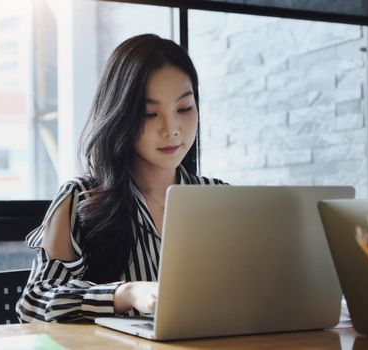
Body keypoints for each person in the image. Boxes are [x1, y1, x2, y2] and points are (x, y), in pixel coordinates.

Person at [16, 34, 225, 323]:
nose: (172, 129)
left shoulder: (220, 199)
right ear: (120, 115)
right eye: (150, 114)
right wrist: (126, 294)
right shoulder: (80, 198)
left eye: (184, 109)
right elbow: (34, 302)